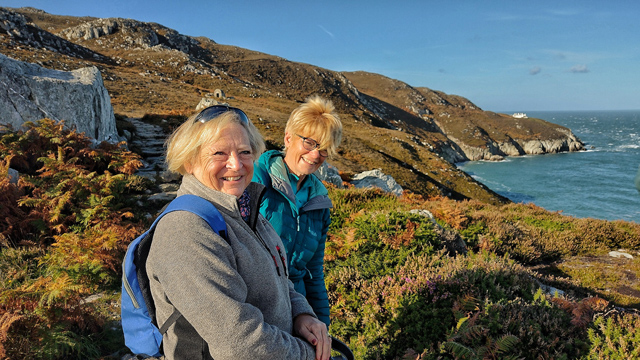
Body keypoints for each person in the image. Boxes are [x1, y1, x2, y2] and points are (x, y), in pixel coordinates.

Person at [146, 105, 330, 360]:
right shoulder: (185, 230)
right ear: (189, 160)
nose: (235, 164)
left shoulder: (243, 209)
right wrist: (308, 354)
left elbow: (278, 276)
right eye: (219, 153)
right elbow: (239, 344)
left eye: (245, 152)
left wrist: (302, 314)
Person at [252, 95, 343, 327]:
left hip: (296, 309)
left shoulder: (319, 202)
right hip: (254, 305)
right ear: (288, 138)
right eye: (310, 143)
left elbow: (313, 274)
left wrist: (323, 328)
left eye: (323, 149)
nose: (315, 155)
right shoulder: (256, 181)